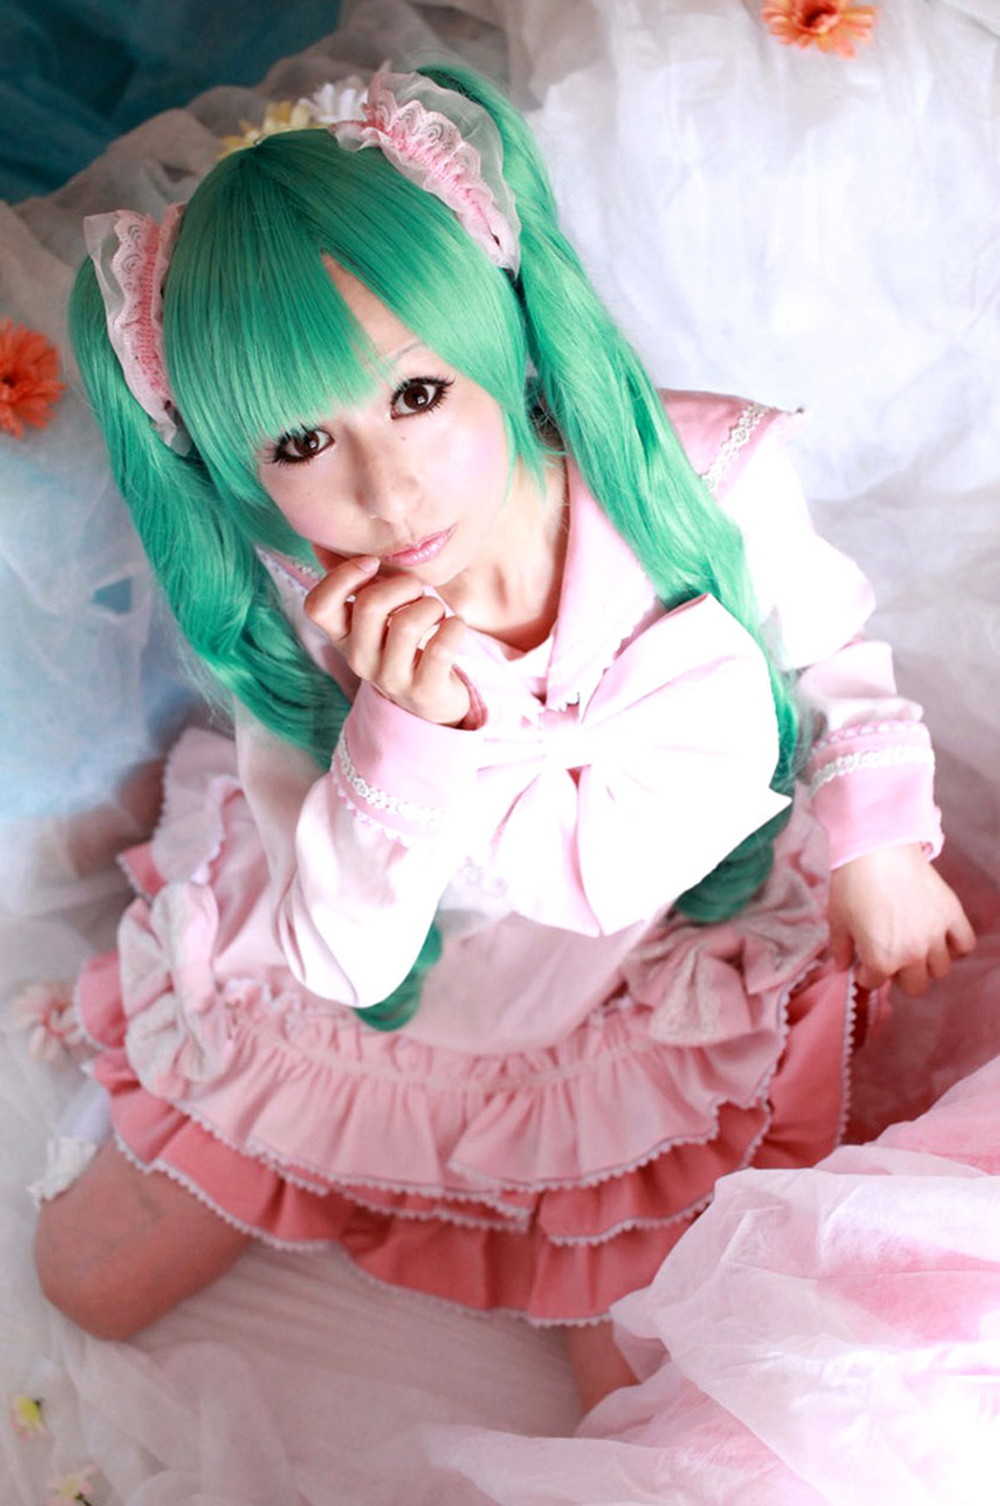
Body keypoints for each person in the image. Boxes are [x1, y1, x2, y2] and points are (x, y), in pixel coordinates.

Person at [32, 64, 974, 1409]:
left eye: (417, 394)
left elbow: (831, 651)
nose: (387, 485)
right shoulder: (296, 623)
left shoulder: (692, 479)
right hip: (418, 975)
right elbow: (345, 957)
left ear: (497, 336)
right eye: (302, 439)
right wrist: (406, 727)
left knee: (660, 1392)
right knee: (86, 1280)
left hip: (661, 956)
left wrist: (877, 846)